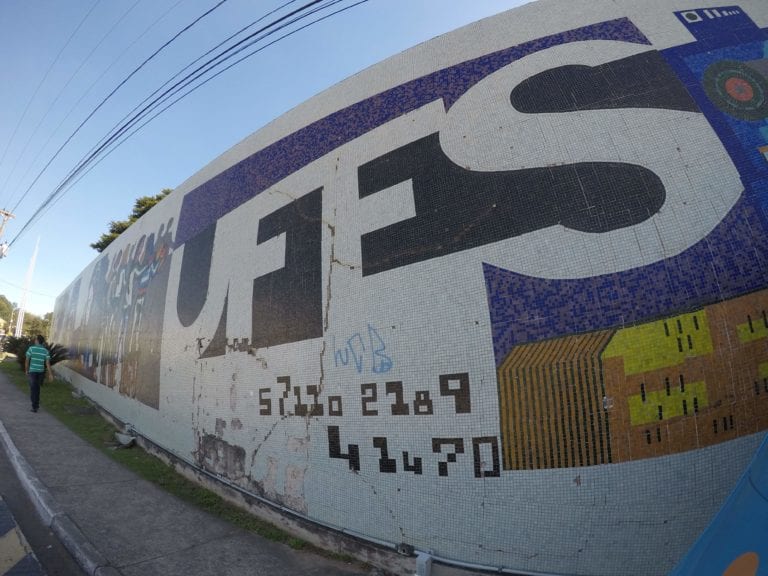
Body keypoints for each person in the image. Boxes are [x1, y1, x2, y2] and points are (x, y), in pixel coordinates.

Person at [25, 335, 52, 413]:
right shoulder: (45, 351)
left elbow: (27, 360)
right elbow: (47, 364)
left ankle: (34, 406)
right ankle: (36, 405)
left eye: (35, 339)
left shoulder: (31, 349)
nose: (34, 340)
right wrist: (50, 374)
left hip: (32, 372)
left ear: (37, 340)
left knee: (33, 389)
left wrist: (26, 370)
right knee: (37, 389)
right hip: (41, 372)